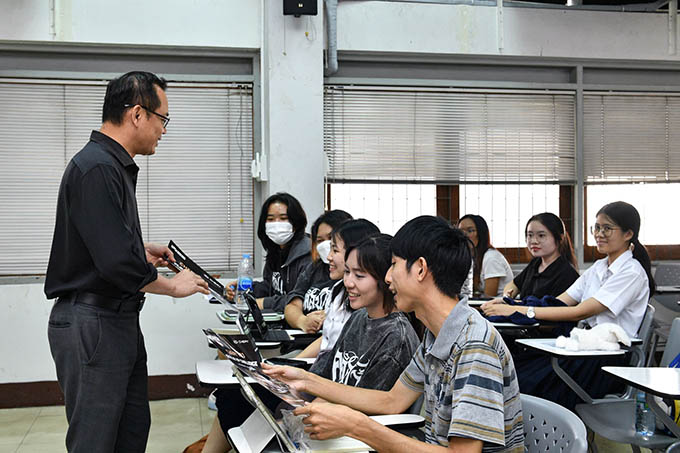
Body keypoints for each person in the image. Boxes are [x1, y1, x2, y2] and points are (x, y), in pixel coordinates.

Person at [44, 71, 210, 453]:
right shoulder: (98, 167)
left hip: (113, 319)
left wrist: (137, 248)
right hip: (95, 322)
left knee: (130, 430)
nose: (163, 130)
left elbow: (104, 245)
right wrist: (172, 286)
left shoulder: (109, 165)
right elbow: (115, 262)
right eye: (162, 119)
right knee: (97, 440)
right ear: (137, 114)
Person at [264, 216, 524, 453]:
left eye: (394, 265)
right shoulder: (438, 334)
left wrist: (356, 426)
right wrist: (306, 380)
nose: (387, 278)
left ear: (420, 269)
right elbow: (392, 400)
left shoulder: (474, 345)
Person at [199, 218, 380, 453]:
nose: (327, 255)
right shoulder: (339, 292)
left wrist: (303, 382)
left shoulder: (372, 316)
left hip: (324, 389)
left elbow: (352, 380)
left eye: (334, 248)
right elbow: (325, 339)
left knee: (239, 401)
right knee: (234, 394)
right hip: (315, 377)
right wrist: (292, 366)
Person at [482, 201, 655, 410]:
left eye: (607, 228)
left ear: (628, 234)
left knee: (523, 382)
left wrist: (516, 310)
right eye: (596, 228)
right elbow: (560, 301)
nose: (599, 234)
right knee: (508, 370)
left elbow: (578, 313)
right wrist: (510, 303)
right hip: (583, 351)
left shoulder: (631, 273)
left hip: (606, 361)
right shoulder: (598, 267)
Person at [308, 234, 419, 389]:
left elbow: (366, 400)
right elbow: (326, 377)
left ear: (386, 278)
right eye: (347, 272)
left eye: (359, 275)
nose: (348, 283)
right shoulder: (358, 317)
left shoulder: (396, 337)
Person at [226, 192, 310, 312]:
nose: (276, 224)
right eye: (270, 219)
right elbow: (270, 287)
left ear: (296, 223)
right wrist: (244, 290)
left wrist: (264, 303)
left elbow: (301, 299)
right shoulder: (276, 251)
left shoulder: (308, 255)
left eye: (283, 218)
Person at [284, 209, 352, 333]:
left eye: (331, 238)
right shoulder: (314, 268)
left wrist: (330, 317)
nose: (326, 245)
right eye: (320, 240)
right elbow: (292, 305)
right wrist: (302, 321)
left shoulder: (352, 279)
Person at [494, 212, 579, 300]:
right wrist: (508, 295)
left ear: (560, 238)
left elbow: (552, 306)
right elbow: (514, 284)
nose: (534, 241)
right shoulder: (535, 263)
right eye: (530, 235)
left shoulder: (567, 274)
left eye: (541, 235)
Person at [458, 214, 513, 298]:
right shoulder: (471, 257)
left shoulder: (491, 258)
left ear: (481, 234)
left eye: (470, 230)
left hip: (498, 304)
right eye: (460, 231)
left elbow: (488, 297)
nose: (464, 235)